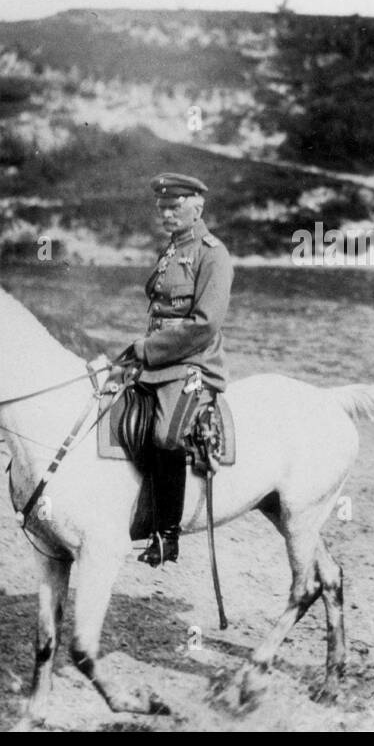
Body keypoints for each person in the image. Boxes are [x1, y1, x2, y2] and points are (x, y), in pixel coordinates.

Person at [117, 172, 233, 566]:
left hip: (194, 363)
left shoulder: (212, 253)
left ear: (197, 206)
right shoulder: (172, 249)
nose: (166, 214)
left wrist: (147, 349)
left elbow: (204, 324)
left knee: (167, 435)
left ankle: (168, 536)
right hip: (159, 360)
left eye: (174, 206)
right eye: (162, 207)